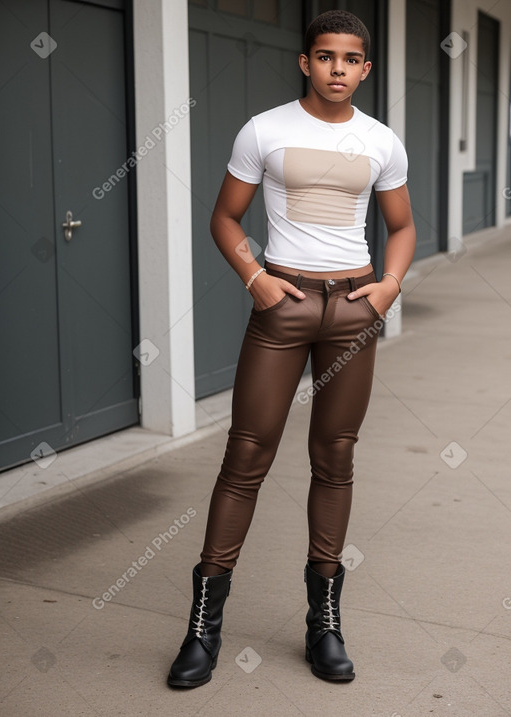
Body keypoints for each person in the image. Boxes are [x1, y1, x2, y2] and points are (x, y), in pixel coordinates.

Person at [167, 9, 416, 688]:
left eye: (351, 59)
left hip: (353, 310)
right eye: (326, 56)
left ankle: (324, 621)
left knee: (334, 456)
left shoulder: (380, 141)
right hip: (285, 307)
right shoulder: (266, 130)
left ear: (365, 69)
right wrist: (255, 277)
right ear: (306, 62)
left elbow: (401, 226)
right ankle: (203, 627)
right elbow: (225, 216)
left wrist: (388, 287)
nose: (338, 69)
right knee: (247, 454)